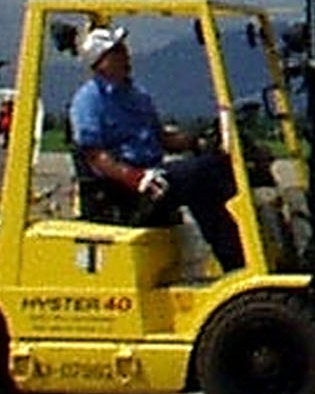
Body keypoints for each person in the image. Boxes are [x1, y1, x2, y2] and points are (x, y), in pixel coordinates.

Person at [67, 23, 246, 272]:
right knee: (195, 177)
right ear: (101, 61)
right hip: (123, 188)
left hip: (152, 173)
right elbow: (95, 156)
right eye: (118, 51)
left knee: (214, 167)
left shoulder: (136, 94)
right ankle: (236, 263)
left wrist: (198, 140)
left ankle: (242, 255)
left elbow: (161, 136)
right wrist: (134, 177)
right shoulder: (88, 101)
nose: (126, 56)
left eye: (124, 50)